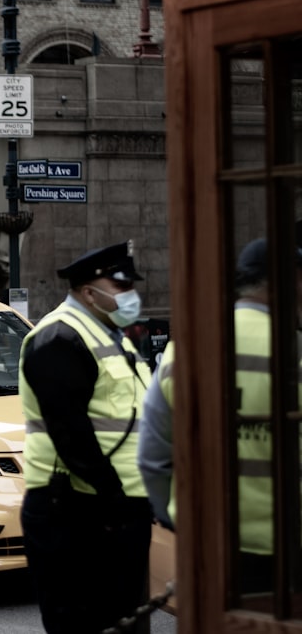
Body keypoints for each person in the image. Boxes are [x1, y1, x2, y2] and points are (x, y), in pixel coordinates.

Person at [138, 238, 302, 595]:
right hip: (285, 543)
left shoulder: (186, 346)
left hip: (204, 537)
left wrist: (172, 517)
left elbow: (152, 453)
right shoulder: (295, 348)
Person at [19, 240, 153, 634]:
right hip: (76, 508)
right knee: (82, 622)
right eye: (121, 287)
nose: (130, 296)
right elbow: (70, 433)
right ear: (88, 291)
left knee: (120, 616)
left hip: (113, 505)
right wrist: (115, 501)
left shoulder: (109, 334)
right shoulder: (59, 337)